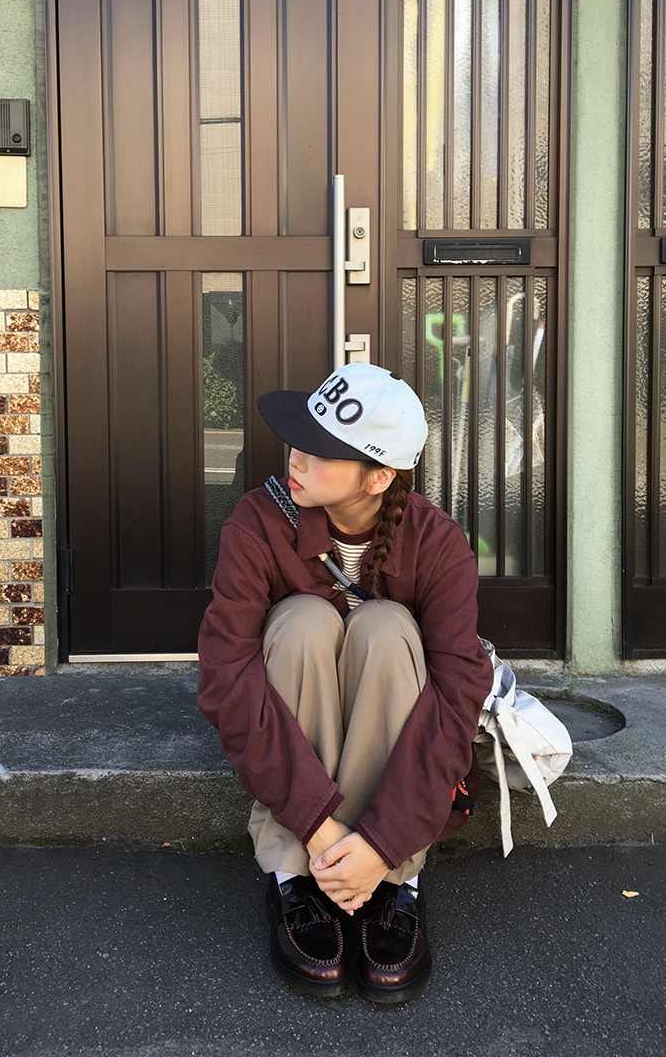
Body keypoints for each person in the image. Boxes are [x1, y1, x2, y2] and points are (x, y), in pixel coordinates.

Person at [196, 362, 494, 1004]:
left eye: (321, 452)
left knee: (387, 627)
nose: (295, 459)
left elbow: (456, 702)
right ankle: (297, 872)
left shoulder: (437, 543)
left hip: (392, 810)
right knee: (302, 620)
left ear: (379, 476)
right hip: (306, 812)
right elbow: (227, 680)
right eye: (298, 440)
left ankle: (393, 879)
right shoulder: (258, 521)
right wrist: (321, 828)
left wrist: (384, 844)